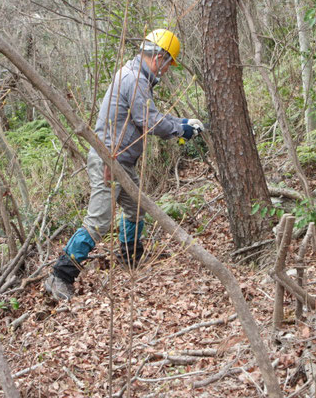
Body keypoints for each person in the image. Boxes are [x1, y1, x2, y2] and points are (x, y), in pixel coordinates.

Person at [44, 29, 204, 301]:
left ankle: (131, 257)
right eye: (167, 64)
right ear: (159, 56)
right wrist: (180, 130)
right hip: (110, 159)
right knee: (99, 220)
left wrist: (181, 123)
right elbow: (150, 122)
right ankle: (60, 276)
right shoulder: (135, 79)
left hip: (122, 160)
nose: (166, 70)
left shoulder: (134, 75)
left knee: (135, 208)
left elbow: (148, 116)